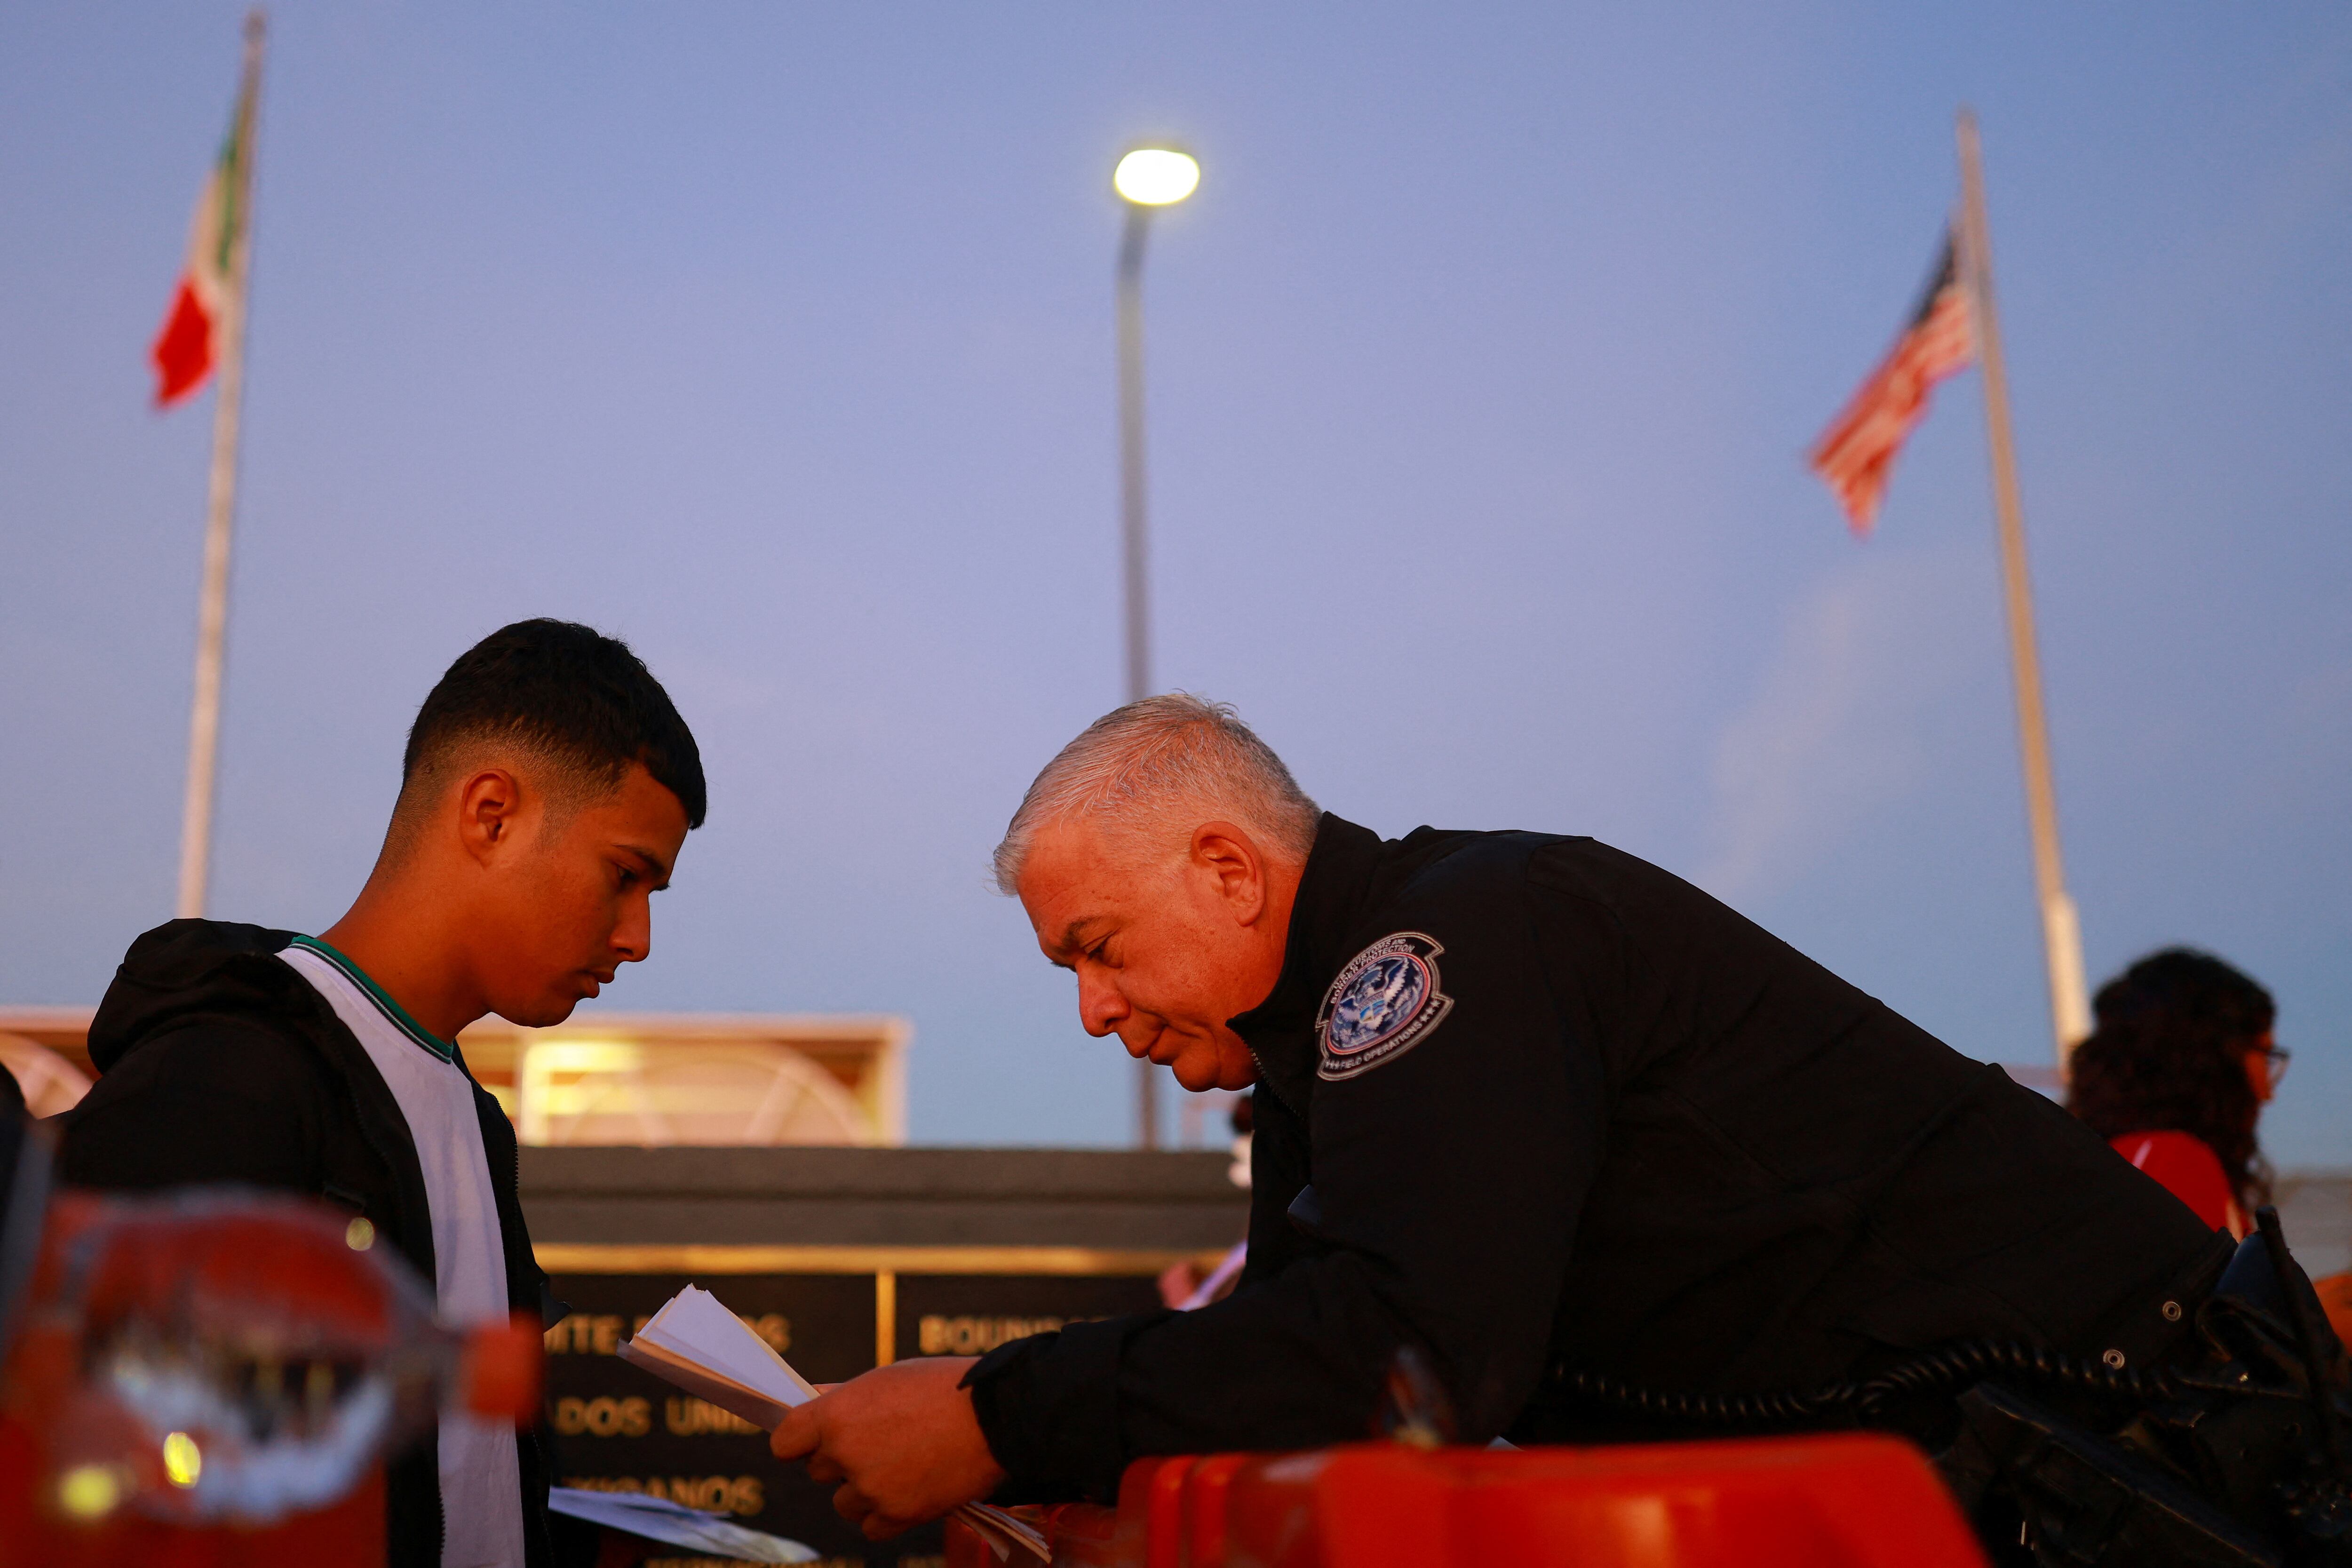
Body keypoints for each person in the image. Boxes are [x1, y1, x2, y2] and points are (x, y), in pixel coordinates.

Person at [772, 695, 2234, 1547]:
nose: (1094, 1011)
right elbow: (1287, 1367)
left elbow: (1406, 1360)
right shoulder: (1325, 1040)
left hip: (2171, 1468)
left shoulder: (1432, 956)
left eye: (1096, 945)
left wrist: (991, 1410)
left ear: (1226, 868)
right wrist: (1014, 1449)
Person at [60, 619, 706, 1568]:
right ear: (491, 813)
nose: (637, 935)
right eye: (624, 875)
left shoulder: (476, 1121)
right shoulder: (232, 1075)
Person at [2067, 949, 2280, 1241]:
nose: (2267, 1092)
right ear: (2216, 1060)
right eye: (2265, 1056)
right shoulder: (2171, 1164)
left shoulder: (2122, 1166)